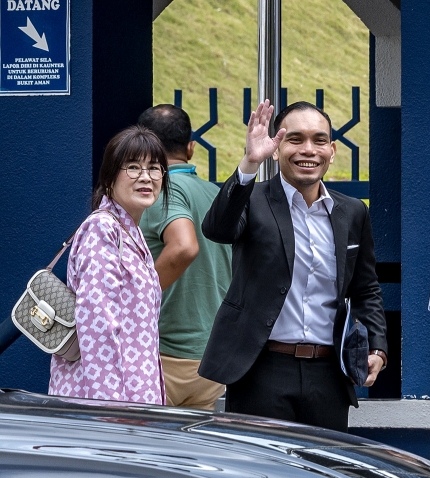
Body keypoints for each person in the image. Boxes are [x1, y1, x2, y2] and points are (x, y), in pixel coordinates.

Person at [199, 100, 388, 430]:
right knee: (261, 475)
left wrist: (378, 347)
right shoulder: (253, 199)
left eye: (318, 140)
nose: (308, 150)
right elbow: (217, 229)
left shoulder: (353, 211)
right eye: (295, 139)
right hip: (262, 370)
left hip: (329, 373)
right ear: (276, 149)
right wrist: (248, 164)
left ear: (332, 150)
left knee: (323, 475)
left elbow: (366, 288)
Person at [49, 126, 169, 404]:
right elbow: (97, 324)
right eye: (133, 167)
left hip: (134, 399)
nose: (145, 177)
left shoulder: (131, 232)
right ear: (110, 176)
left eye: (154, 168)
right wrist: (109, 407)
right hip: (107, 404)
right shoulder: (102, 229)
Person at [137, 104, 233, 411]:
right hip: (213, 360)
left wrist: (134, 298)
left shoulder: (157, 190)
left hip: (166, 357)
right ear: (191, 149)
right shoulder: (216, 194)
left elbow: (182, 247)